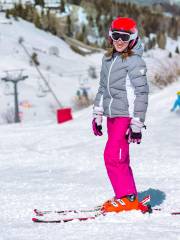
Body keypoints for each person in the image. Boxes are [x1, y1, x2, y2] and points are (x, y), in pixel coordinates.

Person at [92, 17, 149, 213]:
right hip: (112, 116)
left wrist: (136, 124)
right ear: (110, 36)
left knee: (113, 156)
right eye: (115, 36)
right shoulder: (107, 59)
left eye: (124, 37)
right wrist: (97, 114)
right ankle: (126, 195)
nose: (119, 40)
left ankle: (128, 197)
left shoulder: (135, 61)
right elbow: (102, 89)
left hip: (125, 116)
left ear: (132, 39)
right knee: (118, 156)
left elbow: (141, 93)